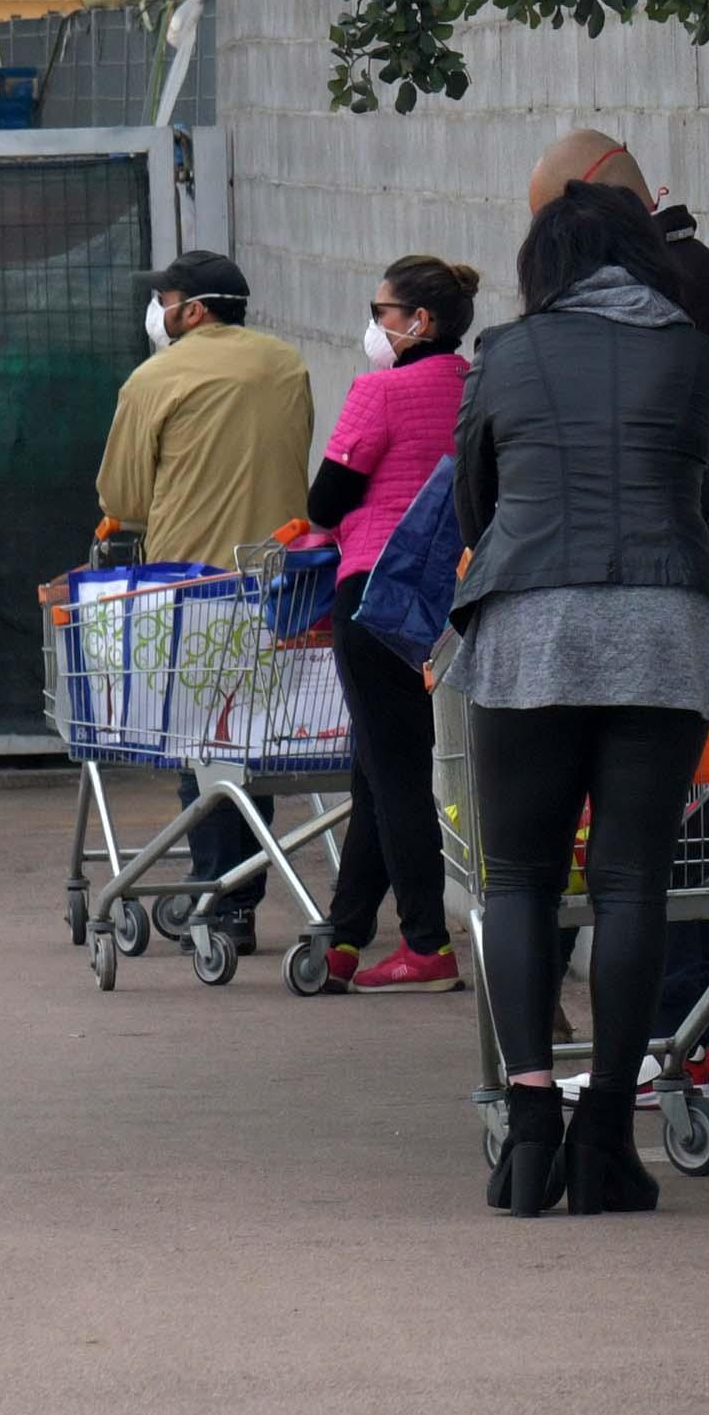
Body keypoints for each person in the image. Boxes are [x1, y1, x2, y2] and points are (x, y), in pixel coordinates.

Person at [453, 166, 709, 1218]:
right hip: (664, 624)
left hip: (528, 619)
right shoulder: (698, 358)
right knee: (632, 882)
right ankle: (609, 1134)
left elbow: (472, 496)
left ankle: (531, 1127)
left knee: (519, 878)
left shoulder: (505, 354)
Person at [528, 128, 709, 1102]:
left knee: (661, 829)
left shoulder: (675, 296)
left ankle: (683, 1033)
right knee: (665, 824)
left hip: (668, 590)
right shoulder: (693, 282)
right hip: (674, 586)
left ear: (587, 207)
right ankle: (681, 1034)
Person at [95, 250, 317, 949]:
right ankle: (237, 890)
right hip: (284, 585)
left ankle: (220, 897)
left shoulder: (153, 378)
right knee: (253, 747)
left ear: (192, 309)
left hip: (192, 587)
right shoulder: (287, 365)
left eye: (163, 300)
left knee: (207, 749)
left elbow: (123, 500)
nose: (156, 314)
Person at [298, 254, 480, 995]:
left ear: (417, 323)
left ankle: (426, 942)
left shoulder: (378, 392)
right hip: (448, 595)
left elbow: (325, 501)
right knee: (377, 764)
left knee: (397, 768)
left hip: (374, 592)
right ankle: (344, 934)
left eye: (381, 312)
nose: (373, 325)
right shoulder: (477, 390)